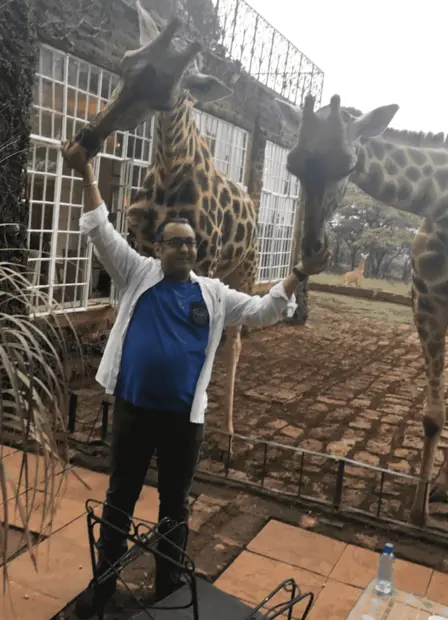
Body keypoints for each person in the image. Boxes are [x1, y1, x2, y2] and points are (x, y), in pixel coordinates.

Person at [60, 142, 325, 619]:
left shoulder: (215, 294)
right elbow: (100, 229)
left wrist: (300, 274)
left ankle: (166, 587)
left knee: (174, 506)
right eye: (175, 242)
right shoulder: (136, 272)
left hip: (184, 420)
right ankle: (103, 585)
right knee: (119, 497)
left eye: (191, 243)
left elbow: (265, 311)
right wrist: (86, 173)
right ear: (157, 249)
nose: (185, 248)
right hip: (133, 411)